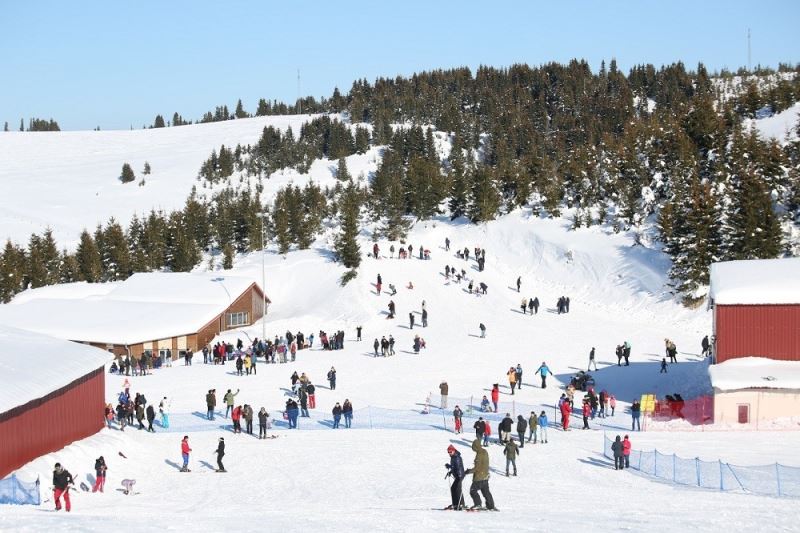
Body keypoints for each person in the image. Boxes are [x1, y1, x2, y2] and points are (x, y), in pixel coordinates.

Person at [465, 439, 496, 510]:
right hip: (485, 475)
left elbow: (477, 468)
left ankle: (478, 504)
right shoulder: (485, 451)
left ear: (475, 446)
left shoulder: (479, 454)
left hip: (479, 477)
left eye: (473, 447)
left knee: (473, 490)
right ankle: (491, 506)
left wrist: (469, 471)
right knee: (486, 492)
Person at [444, 444, 465, 510]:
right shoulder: (453, 457)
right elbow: (454, 468)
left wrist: (449, 466)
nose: (449, 453)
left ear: (453, 451)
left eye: (450, 452)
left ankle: (461, 504)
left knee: (457, 489)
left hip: (460, 475)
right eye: (448, 452)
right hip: (457, 475)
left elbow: (457, 467)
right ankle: (455, 503)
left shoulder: (457, 457)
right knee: (453, 488)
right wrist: (450, 472)